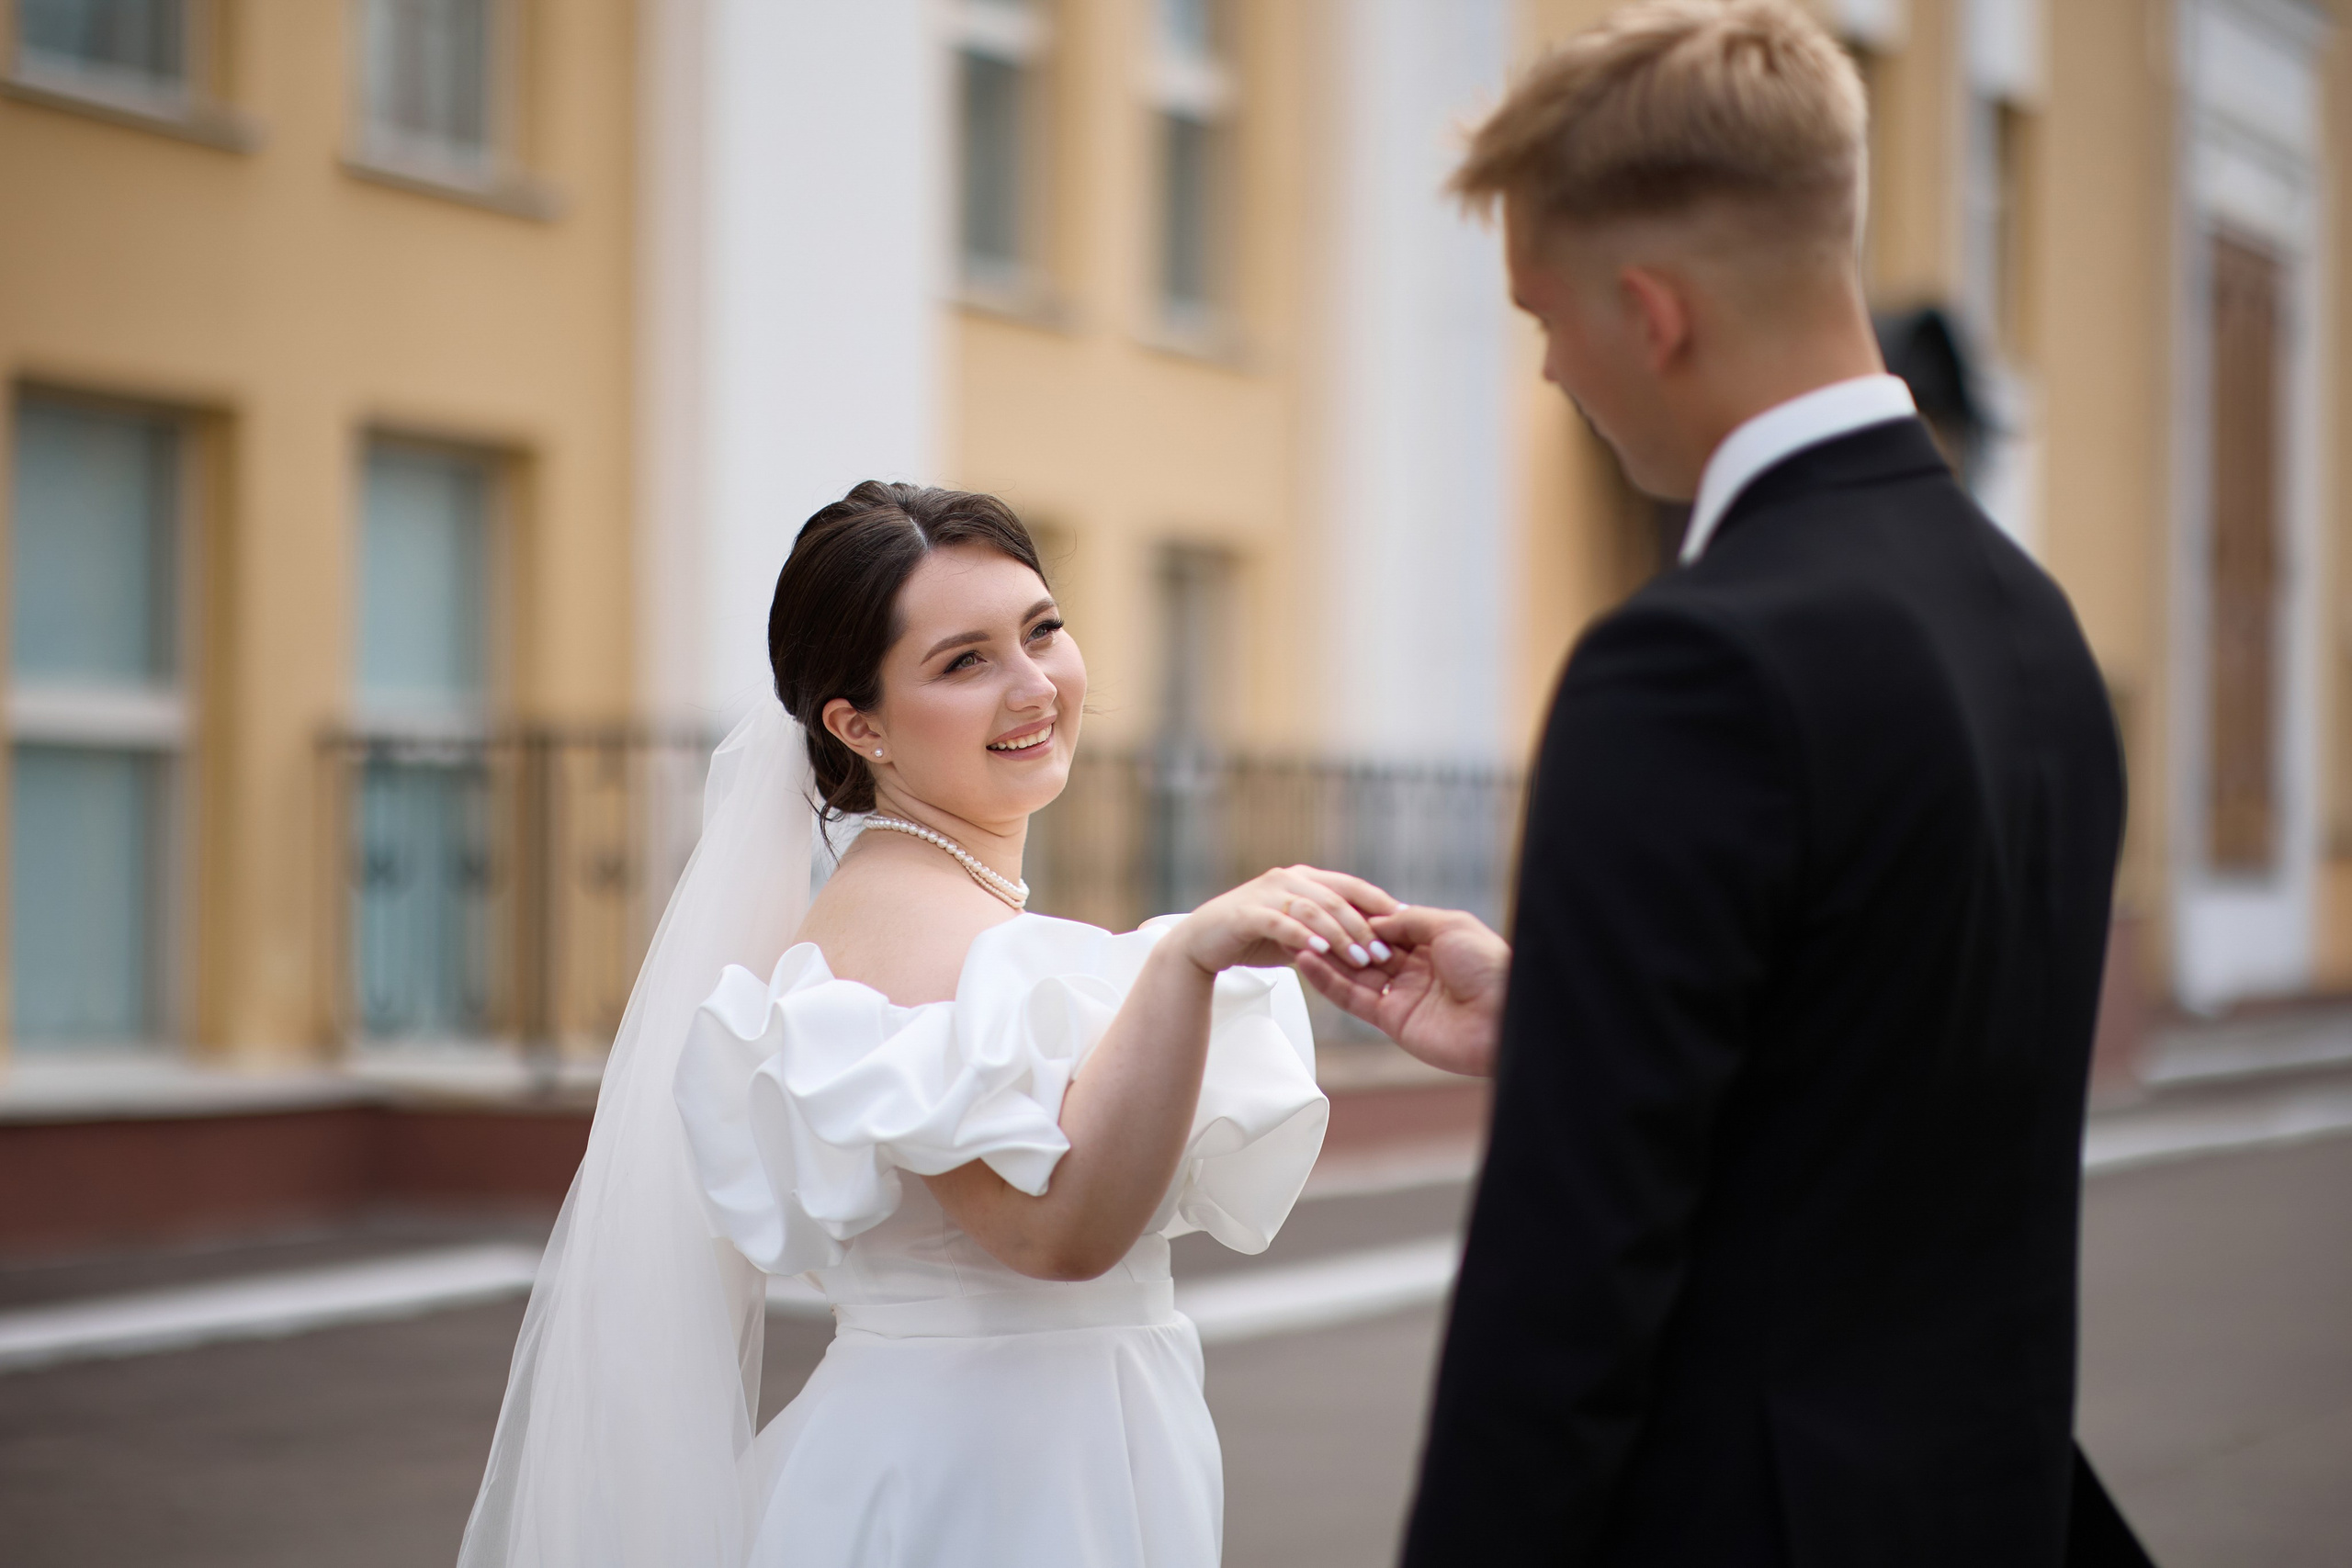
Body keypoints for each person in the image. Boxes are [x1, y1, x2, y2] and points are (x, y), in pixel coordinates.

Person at [1300, 4, 2148, 1563]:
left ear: (1651, 312)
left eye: (1543, 312)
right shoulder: (2033, 627)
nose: (1548, 365)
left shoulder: (1689, 665)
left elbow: (1564, 1292)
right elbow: (1887, 1078)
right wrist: (1571, 1015)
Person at [456, 480, 1397, 1568]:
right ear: (858, 725)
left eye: (1041, 630)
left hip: (1043, 1447)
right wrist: (1188, 961)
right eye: (964, 663)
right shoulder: (905, 928)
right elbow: (1055, 1238)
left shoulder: (951, 905)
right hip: (979, 1483)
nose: (1033, 685)